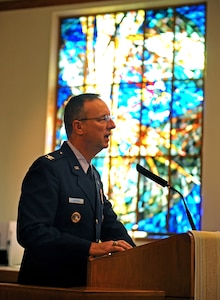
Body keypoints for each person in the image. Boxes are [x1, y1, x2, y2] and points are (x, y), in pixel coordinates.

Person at [17, 93, 135, 288]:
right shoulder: (49, 168)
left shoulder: (92, 174)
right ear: (78, 126)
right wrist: (91, 247)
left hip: (80, 286)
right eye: (103, 119)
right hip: (48, 288)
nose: (112, 124)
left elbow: (110, 225)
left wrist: (136, 255)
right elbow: (31, 232)